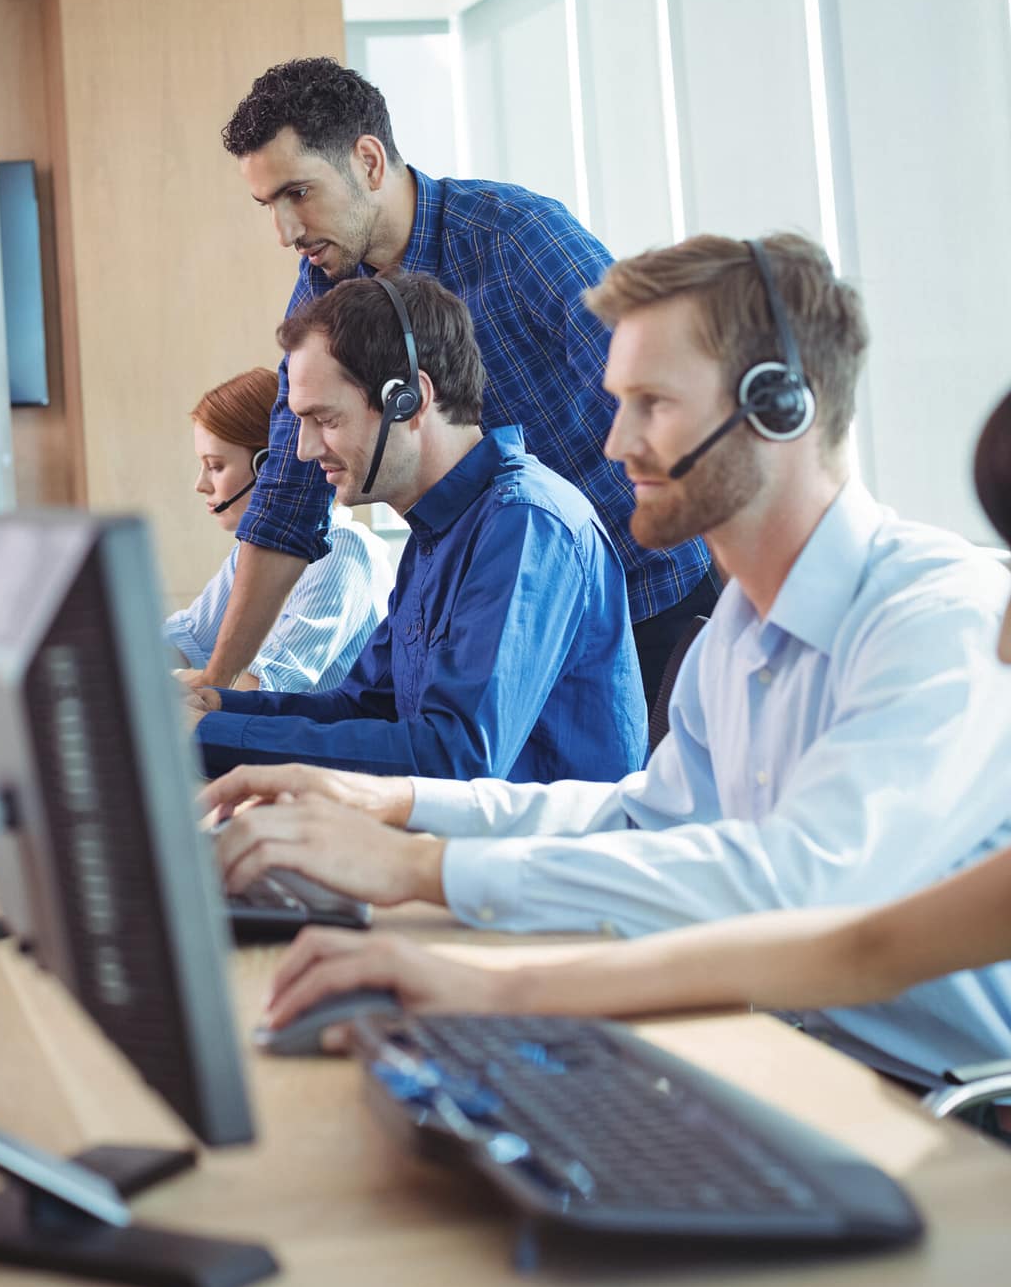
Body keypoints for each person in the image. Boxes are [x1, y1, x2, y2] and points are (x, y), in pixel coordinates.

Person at [204, 234, 1010, 1084]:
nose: (615, 442)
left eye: (652, 403)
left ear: (780, 407)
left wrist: (423, 866)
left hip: (935, 1111)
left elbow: (796, 884)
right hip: (757, 1045)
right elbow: (644, 821)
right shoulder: (734, 629)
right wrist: (394, 802)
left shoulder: (936, 620)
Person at [185, 57, 716, 710]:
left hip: (645, 598)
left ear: (370, 162)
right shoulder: (321, 298)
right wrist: (214, 686)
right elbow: (286, 505)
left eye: (298, 193)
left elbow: (662, 396)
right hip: (500, 623)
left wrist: (751, 595)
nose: (284, 232)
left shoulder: (516, 237)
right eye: (268, 204)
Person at [192, 272, 647, 785]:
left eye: (326, 419)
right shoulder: (439, 530)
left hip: (545, 859)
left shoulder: (526, 525)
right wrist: (215, 709)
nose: (304, 449)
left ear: (408, 400)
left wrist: (204, 738)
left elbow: (455, 758)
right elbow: (366, 705)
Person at [164, 366, 393, 693]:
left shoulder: (342, 550)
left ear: (269, 466)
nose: (200, 485)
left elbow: (265, 685)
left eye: (215, 466)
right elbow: (189, 635)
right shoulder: (248, 555)